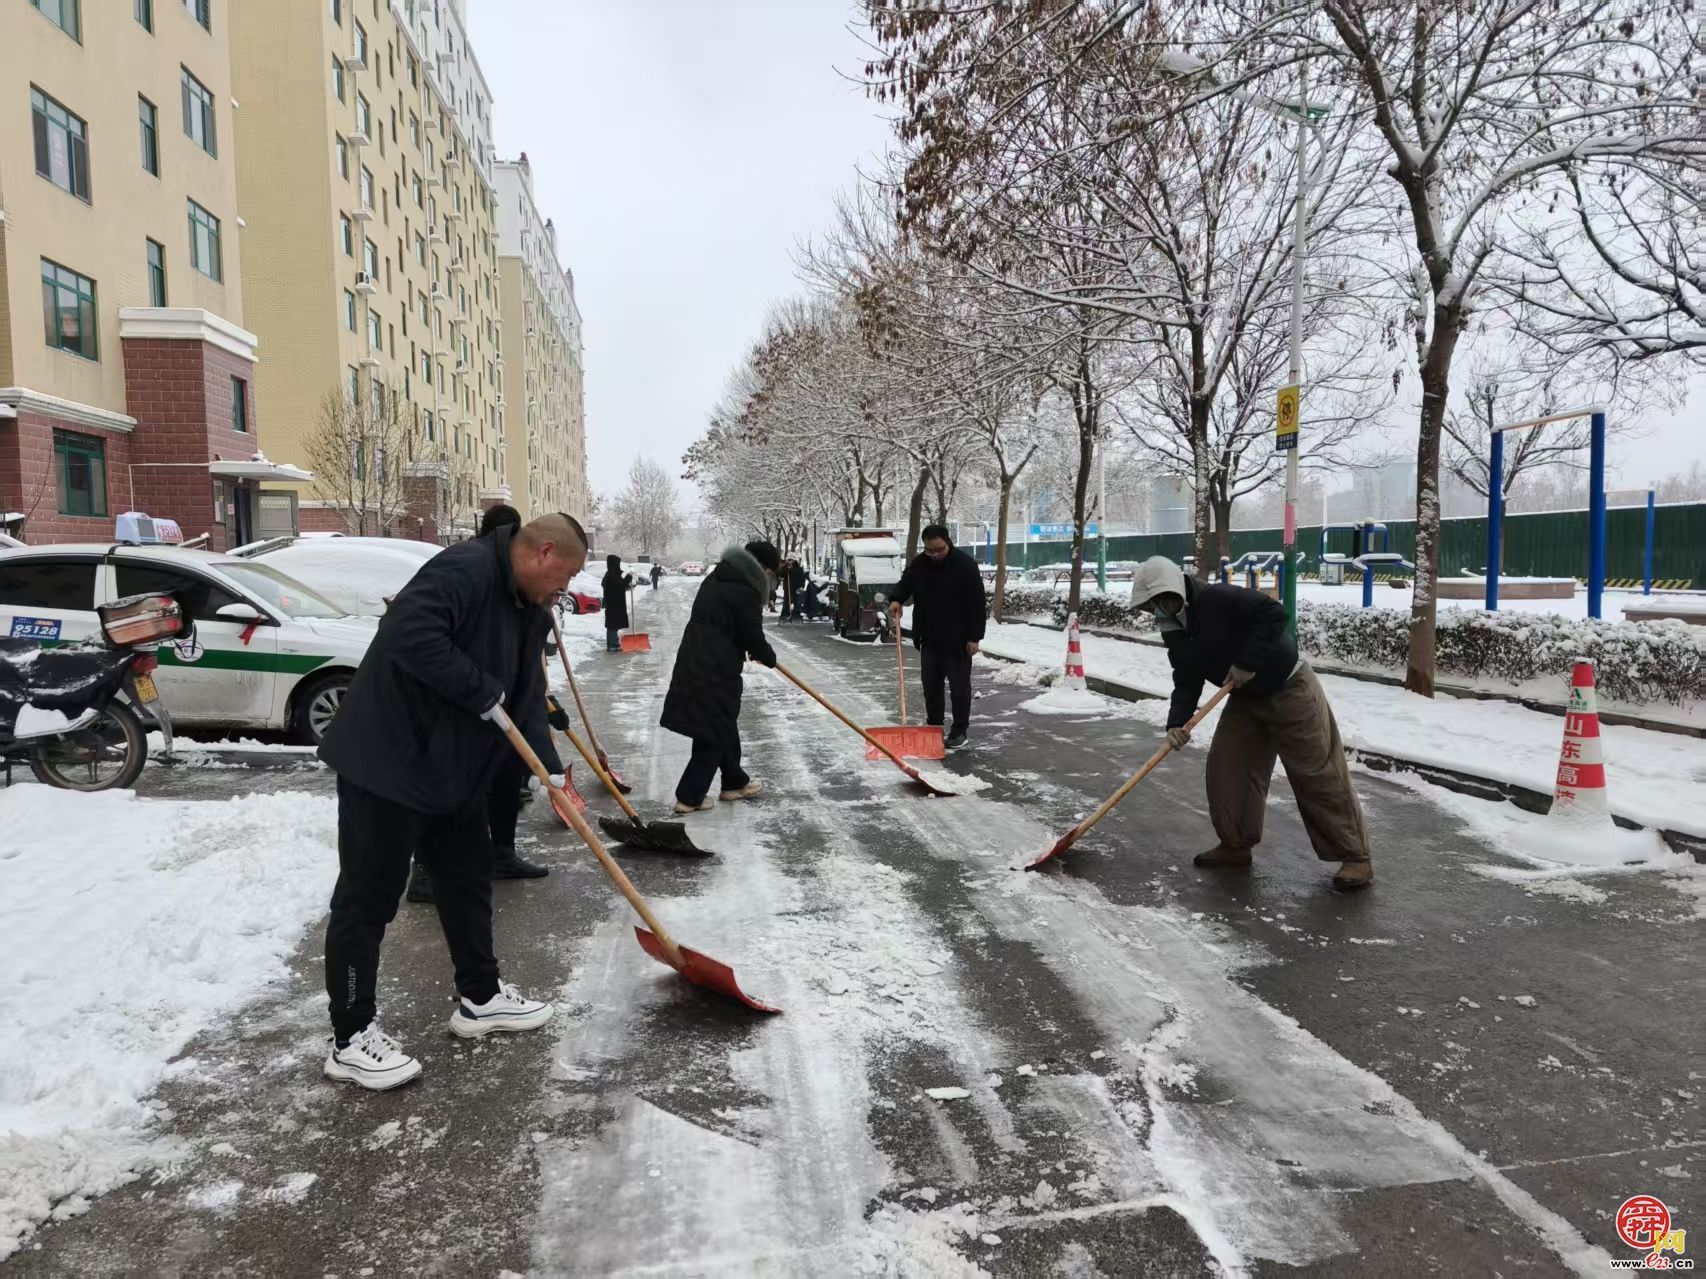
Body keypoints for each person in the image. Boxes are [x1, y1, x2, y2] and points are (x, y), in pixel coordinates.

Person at [316, 513, 588, 1090]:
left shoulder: (528, 609)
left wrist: (550, 771)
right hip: (388, 763)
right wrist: (477, 689)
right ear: (541, 552)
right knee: (367, 902)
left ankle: (481, 997)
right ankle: (350, 1037)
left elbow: (526, 696)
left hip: (452, 771)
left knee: (467, 881)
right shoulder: (462, 571)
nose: (561, 593)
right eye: (561, 579)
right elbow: (409, 634)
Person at [1128, 555, 1373, 890]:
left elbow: (1274, 614)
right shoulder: (1173, 627)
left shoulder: (1218, 597)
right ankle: (1235, 844)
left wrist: (1246, 662)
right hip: (1245, 698)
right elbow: (1186, 675)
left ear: (1177, 588)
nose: (1159, 608)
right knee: (1228, 767)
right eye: (1152, 604)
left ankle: (1355, 857)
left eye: (1162, 599)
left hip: (1289, 686)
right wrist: (1177, 721)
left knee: (1317, 772)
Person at [405, 500, 560, 905]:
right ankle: (425, 872)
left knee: (507, 775)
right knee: (450, 787)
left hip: (499, 698)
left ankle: (501, 854)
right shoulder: (470, 569)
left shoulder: (515, 579)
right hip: (460, 702)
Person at [660, 539, 778, 813]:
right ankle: (690, 797)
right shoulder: (745, 591)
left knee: (722, 721)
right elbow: (752, 634)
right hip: (717, 666)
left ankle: (734, 782)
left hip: (697, 658)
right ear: (762, 569)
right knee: (714, 728)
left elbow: (725, 623)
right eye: (771, 573)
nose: (771, 580)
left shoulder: (718, 578)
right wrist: (768, 657)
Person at [888, 524, 986, 750]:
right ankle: (934, 726)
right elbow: (906, 583)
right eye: (929, 550)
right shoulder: (920, 564)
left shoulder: (965, 565)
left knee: (959, 688)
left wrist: (974, 637)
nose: (934, 555)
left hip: (958, 639)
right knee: (931, 685)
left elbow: (976, 604)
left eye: (938, 550)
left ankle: (960, 730)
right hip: (929, 636)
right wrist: (896, 599)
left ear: (948, 542)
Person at [601, 554, 632, 651]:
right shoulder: (612, 575)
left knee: (614, 624)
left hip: (614, 603)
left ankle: (614, 644)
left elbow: (622, 582)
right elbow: (621, 582)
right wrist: (628, 577)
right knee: (612, 625)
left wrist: (627, 575)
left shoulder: (610, 573)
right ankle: (612, 645)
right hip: (613, 603)